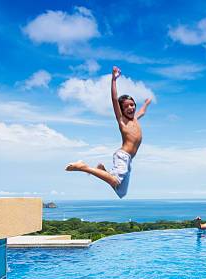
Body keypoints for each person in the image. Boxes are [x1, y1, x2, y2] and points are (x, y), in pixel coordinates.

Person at [65, 66, 152, 198]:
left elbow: (143, 112)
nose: (130, 107)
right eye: (126, 106)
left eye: (132, 104)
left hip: (128, 160)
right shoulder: (122, 121)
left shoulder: (135, 119)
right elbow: (114, 99)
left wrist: (147, 102)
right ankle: (83, 167)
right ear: (121, 110)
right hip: (122, 156)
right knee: (115, 181)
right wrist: (114, 80)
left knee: (121, 192)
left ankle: (103, 171)